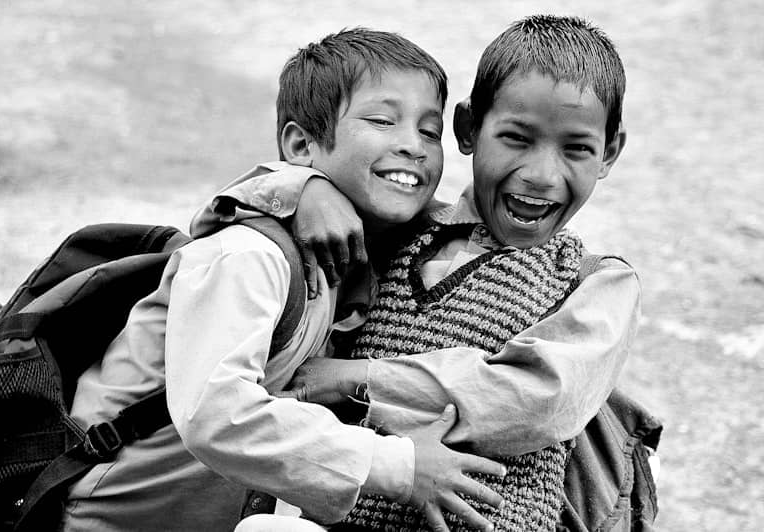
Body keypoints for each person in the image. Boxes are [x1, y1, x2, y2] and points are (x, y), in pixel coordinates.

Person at [61, 29, 507, 532]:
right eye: (383, 121)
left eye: (430, 132)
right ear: (301, 143)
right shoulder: (249, 255)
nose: (413, 146)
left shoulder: (366, 249)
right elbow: (217, 416)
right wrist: (400, 466)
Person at [227, 15, 659, 531]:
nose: (542, 175)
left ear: (609, 152)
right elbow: (219, 221)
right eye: (517, 138)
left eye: (577, 149)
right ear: (468, 129)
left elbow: (541, 398)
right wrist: (302, 189)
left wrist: (357, 381)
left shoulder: (597, 282)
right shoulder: (395, 229)